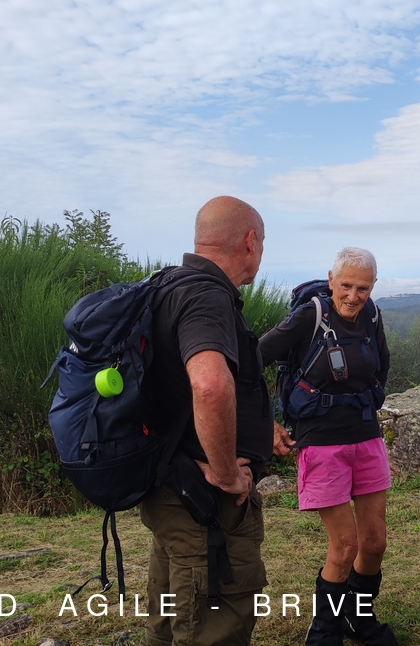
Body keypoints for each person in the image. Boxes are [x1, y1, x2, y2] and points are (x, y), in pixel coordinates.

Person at [140, 195, 281, 646]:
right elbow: (210, 386)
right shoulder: (207, 295)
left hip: (171, 491)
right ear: (250, 241)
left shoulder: (166, 286)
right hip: (203, 505)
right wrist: (226, 474)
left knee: (169, 623)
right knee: (213, 628)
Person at [259, 247, 397, 646]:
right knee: (346, 545)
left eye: (363, 288)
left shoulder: (372, 316)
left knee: (374, 542)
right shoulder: (311, 316)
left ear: (373, 287)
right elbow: (251, 360)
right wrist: (265, 422)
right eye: (347, 285)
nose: (354, 296)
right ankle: (324, 631)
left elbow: (382, 366)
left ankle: (359, 618)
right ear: (331, 280)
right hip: (321, 442)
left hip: (366, 436)